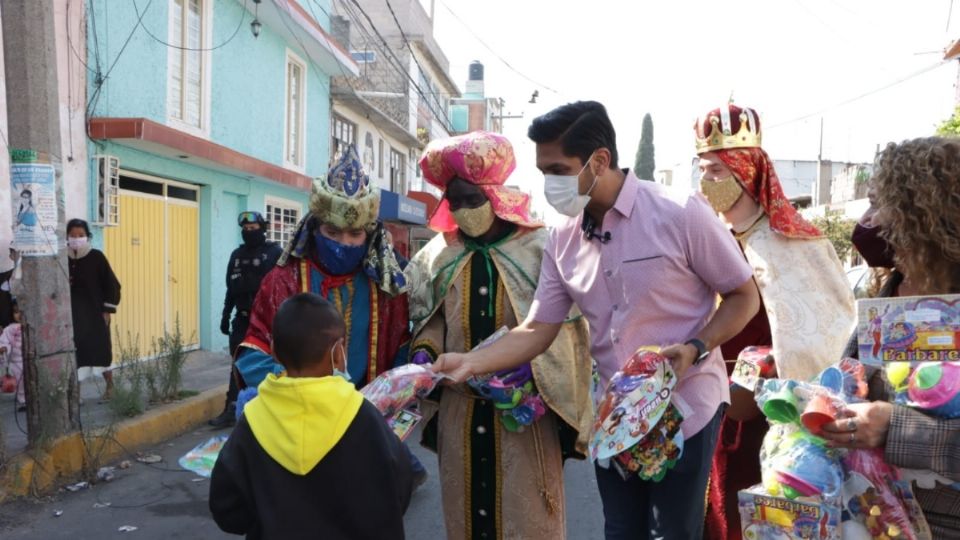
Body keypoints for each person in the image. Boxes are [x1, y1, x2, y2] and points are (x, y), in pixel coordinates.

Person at [432, 101, 761, 539]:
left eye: (558, 169)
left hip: (686, 407)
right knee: (622, 532)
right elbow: (537, 329)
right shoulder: (563, 239)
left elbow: (743, 296)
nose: (549, 183)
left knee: (671, 534)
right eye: (543, 171)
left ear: (599, 160)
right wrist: (470, 362)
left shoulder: (680, 213)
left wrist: (697, 347)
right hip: (616, 417)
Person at [406, 131, 593, 539]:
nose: (463, 210)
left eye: (472, 199)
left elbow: (567, 328)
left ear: (495, 194)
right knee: (466, 515)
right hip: (461, 406)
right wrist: (425, 351)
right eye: (454, 202)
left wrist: (533, 369)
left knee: (527, 517)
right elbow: (432, 318)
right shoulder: (439, 254)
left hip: (524, 411)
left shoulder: (542, 248)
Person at [693, 104, 856, 540]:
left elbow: (826, 331)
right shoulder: (708, 239)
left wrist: (774, 382)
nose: (705, 183)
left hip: (777, 415)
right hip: (713, 408)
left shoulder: (796, 242)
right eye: (702, 170)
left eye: (715, 171)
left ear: (746, 172)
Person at [234, 146, 423, 483]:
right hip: (298, 421)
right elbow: (253, 352)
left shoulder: (386, 288)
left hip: (363, 421)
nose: (343, 242)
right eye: (332, 233)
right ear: (314, 228)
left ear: (370, 235)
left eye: (355, 234)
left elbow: (400, 353)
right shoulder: (284, 279)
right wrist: (300, 395)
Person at [821, 137, 960, 537]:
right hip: (874, 513)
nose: (867, 221)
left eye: (880, 204)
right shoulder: (890, 291)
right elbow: (857, 383)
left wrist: (893, 429)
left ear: (924, 212)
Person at [210, 293, 413, 539]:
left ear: (273, 350)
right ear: (338, 353)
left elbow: (227, 510)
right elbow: (400, 488)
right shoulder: (364, 414)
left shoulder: (252, 422)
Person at [209, 211, 282, 428]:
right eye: (246, 230)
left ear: (263, 228)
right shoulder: (237, 255)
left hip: (266, 322)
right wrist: (225, 315)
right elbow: (231, 289)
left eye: (254, 229)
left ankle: (269, 410)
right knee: (237, 366)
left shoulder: (274, 253)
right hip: (241, 320)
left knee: (268, 366)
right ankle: (232, 409)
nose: (249, 233)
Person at [67, 218, 121, 400]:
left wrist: (107, 310)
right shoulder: (62, 259)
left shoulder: (96, 257)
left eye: (80, 235)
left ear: (87, 237)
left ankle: (111, 388)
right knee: (75, 354)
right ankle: (77, 395)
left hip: (95, 315)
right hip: (71, 317)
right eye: (72, 235)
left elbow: (112, 285)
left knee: (101, 351)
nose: (76, 238)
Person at [0, 299, 25, 411]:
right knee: (20, 382)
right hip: (16, 361)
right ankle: (23, 400)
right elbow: (4, 341)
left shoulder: (31, 326)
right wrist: (4, 347)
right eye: (16, 312)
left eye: (21, 311)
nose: (19, 314)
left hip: (30, 358)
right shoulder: (9, 329)